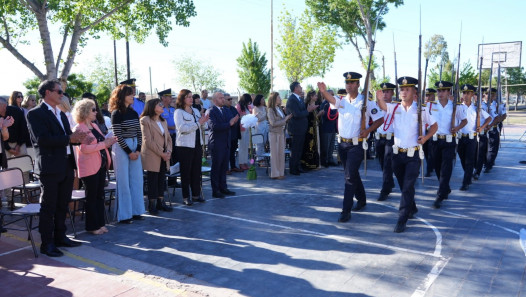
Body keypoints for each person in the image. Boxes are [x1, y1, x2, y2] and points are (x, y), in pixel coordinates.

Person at [27, 79, 91, 257]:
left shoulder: (61, 114)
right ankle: (47, 243)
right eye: (59, 92)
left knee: (63, 204)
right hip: (49, 166)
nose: (62, 95)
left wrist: (79, 138)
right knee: (49, 206)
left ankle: (61, 237)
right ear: (48, 92)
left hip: (66, 164)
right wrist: (70, 139)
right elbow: (41, 140)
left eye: (62, 92)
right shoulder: (35, 114)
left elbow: (67, 138)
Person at [317, 72, 384, 223]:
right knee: (351, 174)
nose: (349, 85)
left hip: (357, 144)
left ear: (358, 84)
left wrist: (367, 130)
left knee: (348, 177)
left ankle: (345, 210)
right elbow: (331, 100)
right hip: (342, 144)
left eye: (352, 82)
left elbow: (379, 119)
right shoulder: (342, 101)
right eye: (347, 82)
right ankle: (361, 199)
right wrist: (323, 91)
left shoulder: (366, 102)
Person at [376, 76, 437, 233]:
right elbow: (383, 106)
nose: (403, 92)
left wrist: (425, 138)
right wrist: (378, 98)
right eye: (401, 89)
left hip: (413, 155)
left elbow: (434, 126)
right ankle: (413, 207)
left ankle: (402, 218)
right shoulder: (395, 108)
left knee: (408, 185)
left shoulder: (421, 109)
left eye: (407, 89)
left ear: (414, 92)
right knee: (404, 186)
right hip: (397, 154)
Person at [72, 99, 117, 235]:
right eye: (93, 110)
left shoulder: (94, 125)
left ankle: (100, 223)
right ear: (85, 111)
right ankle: (92, 226)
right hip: (89, 167)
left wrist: (108, 140)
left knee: (99, 196)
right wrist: (105, 144)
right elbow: (84, 149)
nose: (96, 112)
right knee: (91, 197)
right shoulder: (79, 129)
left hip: (100, 164)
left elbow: (99, 141)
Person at [110, 84, 145, 224]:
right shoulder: (116, 113)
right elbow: (117, 135)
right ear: (122, 96)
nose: (133, 97)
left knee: (137, 180)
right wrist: (129, 152)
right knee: (123, 181)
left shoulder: (134, 112)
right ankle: (125, 215)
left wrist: (137, 150)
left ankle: (137, 211)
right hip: (122, 147)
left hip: (134, 144)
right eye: (130, 94)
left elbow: (139, 132)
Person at [430, 81, 467, 209]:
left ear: (448, 92)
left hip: (449, 141)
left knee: (446, 168)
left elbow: (464, 120)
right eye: (439, 91)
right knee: (437, 167)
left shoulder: (455, 106)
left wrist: (457, 128)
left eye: (443, 91)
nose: (440, 93)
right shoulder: (431, 105)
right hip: (435, 140)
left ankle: (440, 195)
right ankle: (445, 187)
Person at [175, 89, 209, 205]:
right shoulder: (178, 112)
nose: (191, 99)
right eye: (188, 97)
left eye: (191, 97)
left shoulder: (195, 110)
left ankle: (196, 194)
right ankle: (186, 196)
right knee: (186, 172)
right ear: (182, 99)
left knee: (196, 171)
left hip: (197, 144)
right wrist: (199, 123)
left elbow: (202, 126)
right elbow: (182, 129)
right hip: (185, 146)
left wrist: (204, 122)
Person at [140, 98, 174, 214]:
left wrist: (168, 151)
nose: (162, 106)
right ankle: (152, 205)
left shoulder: (163, 121)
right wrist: (162, 153)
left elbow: (168, 138)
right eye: (159, 105)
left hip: (164, 155)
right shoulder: (145, 120)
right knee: (152, 180)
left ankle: (161, 202)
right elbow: (148, 141)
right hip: (153, 155)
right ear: (152, 107)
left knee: (161, 179)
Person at [457, 84, 492, 191]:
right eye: (464, 93)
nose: (466, 95)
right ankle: (468, 173)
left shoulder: (476, 108)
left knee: (469, 160)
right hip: (460, 138)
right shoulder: (458, 107)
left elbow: (489, 118)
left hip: (472, 138)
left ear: (472, 94)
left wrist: (482, 127)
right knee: (463, 159)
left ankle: (466, 182)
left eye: (468, 93)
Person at [207, 92, 238, 198]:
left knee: (224, 167)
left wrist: (233, 121)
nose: (223, 100)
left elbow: (231, 121)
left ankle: (223, 187)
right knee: (216, 167)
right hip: (216, 143)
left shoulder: (226, 110)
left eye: (223, 98)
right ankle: (215, 190)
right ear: (214, 100)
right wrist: (229, 124)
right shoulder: (211, 111)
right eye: (221, 98)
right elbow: (214, 126)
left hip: (226, 142)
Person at [286, 82, 318, 175]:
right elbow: (296, 114)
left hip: (301, 128)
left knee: (299, 149)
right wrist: (308, 111)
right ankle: (293, 168)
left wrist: (308, 109)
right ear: (296, 88)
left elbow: (302, 111)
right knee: (295, 149)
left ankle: (297, 166)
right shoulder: (292, 99)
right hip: (296, 129)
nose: (301, 87)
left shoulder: (299, 98)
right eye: (300, 86)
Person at [375, 82, 397, 201]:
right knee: (382, 162)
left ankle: (385, 189)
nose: (385, 94)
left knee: (387, 163)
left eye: (387, 91)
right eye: (383, 91)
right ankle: (389, 182)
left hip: (391, 138)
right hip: (379, 137)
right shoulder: (376, 105)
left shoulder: (396, 106)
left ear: (393, 93)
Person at [267, 92, 292, 179]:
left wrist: (287, 117)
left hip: (281, 133)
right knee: (275, 154)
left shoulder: (279, 109)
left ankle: (281, 172)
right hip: (274, 134)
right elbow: (273, 123)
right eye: (278, 97)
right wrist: (285, 119)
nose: (280, 99)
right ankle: (275, 174)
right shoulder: (270, 110)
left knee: (281, 154)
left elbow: (282, 121)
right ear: (274, 99)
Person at [485, 87, 506, 173]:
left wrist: (497, 120)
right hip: (485, 128)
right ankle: (486, 161)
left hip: (494, 127)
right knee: (484, 147)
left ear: (495, 95)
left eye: (492, 94)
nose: (489, 96)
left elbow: (504, 115)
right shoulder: (482, 104)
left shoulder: (499, 104)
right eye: (487, 94)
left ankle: (489, 163)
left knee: (493, 147)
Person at [5, 91, 30, 158]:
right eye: (18, 96)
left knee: (25, 163)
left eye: (22, 96)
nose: (20, 98)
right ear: (14, 98)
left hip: (23, 139)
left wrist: (19, 144)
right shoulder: (8, 110)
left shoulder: (23, 110)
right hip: (10, 141)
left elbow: (23, 127)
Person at [301, 90, 321, 170]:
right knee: (309, 145)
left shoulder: (315, 105)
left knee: (316, 145)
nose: (316, 97)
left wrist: (319, 114)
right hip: (309, 128)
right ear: (311, 97)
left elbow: (316, 118)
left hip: (315, 127)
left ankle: (315, 163)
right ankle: (308, 164)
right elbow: (307, 117)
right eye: (315, 96)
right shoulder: (307, 105)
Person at [319, 89, 338, 167]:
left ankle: (330, 159)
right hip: (326, 128)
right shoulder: (325, 104)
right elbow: (326, 115)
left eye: (333, 94)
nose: (332, 96)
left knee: (331, 145)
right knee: (325, 146)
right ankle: (324, 160)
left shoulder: (333, 103)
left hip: (332, 127)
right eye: (331, 94)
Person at [224, 93, 242, 173]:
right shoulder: (223, 109)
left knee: (233, 151)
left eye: (231, 99)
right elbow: (228, 121)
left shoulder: (233, 109)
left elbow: (238, 117)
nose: (230, 100)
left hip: (235, 133)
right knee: (226, 152)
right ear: (223, 100)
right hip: (227, 134)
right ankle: (226, 168)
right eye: (228, 99)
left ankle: (233, 166)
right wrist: (233, 120)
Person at [159, 89, 178, 165]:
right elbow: (158, 123)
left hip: (174, 136)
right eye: (169, 97)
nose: (171, 98)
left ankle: (173, 176)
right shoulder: (160, 109)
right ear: (163, 98)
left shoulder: (172, 109)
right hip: (165, 137)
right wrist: (170, 127)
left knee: (175, 156)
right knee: (167, 158)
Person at [423, 88, 437, 177]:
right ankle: (430, 165)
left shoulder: (437, 106)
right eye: (426, 95)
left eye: (429, 95)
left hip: (432, 130)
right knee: (425, 151)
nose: (427, 97)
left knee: (432, 151)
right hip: (424, 130)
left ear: (433, 96)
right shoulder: (422, 105)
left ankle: (429, 169)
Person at [236, 94, 252, 170]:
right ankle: (241, 163)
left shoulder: (246, 107)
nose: (249, 102)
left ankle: (245, 161)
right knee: (242, 146)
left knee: (246, 146)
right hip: (242, 128)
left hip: (247, 128)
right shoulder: (239, 106)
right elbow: (237, 116)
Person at [252, 94, 269, 163]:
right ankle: (259, 158)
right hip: (259, 126)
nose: (263, 100)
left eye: (264, 99)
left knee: (264, 142)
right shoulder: (255, 108)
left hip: (266, 125)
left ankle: (263, 156)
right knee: (259, 143)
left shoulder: (265, 107)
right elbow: (258, 119)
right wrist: (265, 114)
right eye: (262, 99)